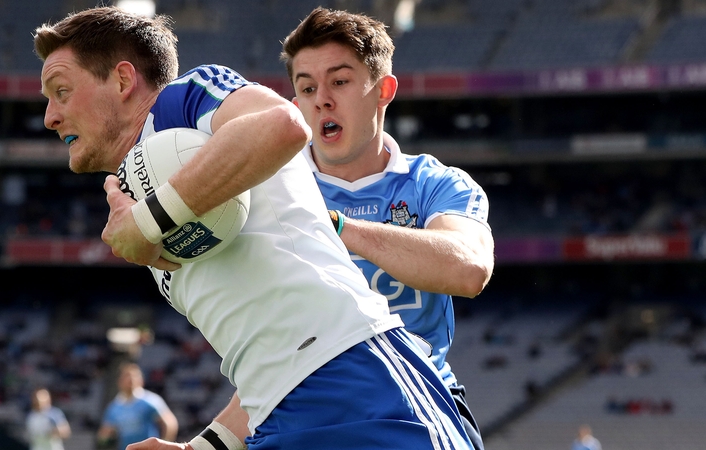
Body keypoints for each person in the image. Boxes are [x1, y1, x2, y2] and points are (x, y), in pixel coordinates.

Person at [34, 6, 473, 449]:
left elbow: (282, 125)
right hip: (277, 416)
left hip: (359, 377)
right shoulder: (141, 189)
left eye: (62, 91)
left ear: (123, 81)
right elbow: (266, 351)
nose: (50, 116)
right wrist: (203, 447)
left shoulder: (182, 101)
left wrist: (148, 223)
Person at [279, 7, 495, 450]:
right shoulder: (272, 191)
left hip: (419, 407)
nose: (321, 99)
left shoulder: (436, 184)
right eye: (306, 87)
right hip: (304, 414)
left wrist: (338, 226)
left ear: (384, 90)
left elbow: (469, 269)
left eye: (339, 81)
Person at [98, 362, 178, 449]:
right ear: (119, 381)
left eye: (134, 376)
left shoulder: (151, 400)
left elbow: (170, 424)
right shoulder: (114, 407)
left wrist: (164, 446)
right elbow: (105, 433)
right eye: (127, 376)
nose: (131, 379)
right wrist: (105, 437)